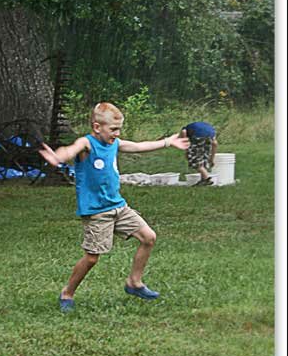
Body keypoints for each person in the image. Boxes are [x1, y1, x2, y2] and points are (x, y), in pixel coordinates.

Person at [38, 102, 190, 312]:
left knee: (149, 237)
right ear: (97, 126)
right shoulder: (87, 143)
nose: (117, 134)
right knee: (91, 258)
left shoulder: (115, 144)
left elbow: (138, 146)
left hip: (118, 206)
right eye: (113, 129)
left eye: (119, 129)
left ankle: (134, 283)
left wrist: (167, 142)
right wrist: (58, 157)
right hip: (97, 212)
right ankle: (67, 293)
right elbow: (71, 149)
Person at [179, 121, 218, 186]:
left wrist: (187, 151)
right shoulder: (211, 131)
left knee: (194, 160)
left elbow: (183, 133)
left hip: (197, 135)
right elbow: (215, 143)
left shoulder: (185, 129)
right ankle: (203, 180)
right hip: (208, 136)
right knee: (204, 157)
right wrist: (211, 159)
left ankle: (206, 179)